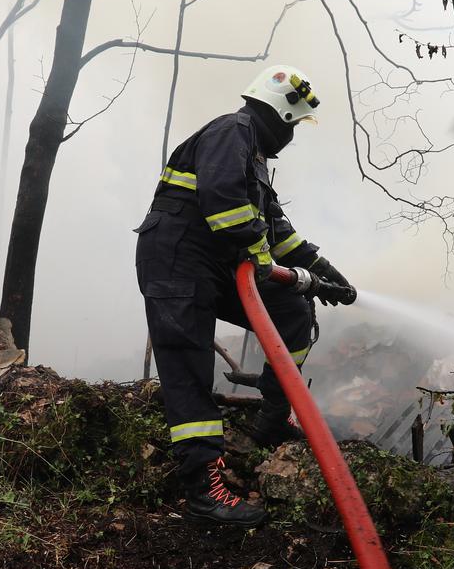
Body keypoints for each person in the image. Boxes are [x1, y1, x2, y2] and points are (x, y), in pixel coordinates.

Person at [135, 63, 357, 526]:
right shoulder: (232, 131)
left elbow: (276, 228)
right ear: (278, 114)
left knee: (292, 308)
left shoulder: (252, 154)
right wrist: (259, 256)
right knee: (190, 365)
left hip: (212, 266)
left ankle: (272, 420)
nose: (292, 138)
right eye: (292, 126)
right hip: (176, 260)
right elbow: (225, 203)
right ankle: (204, 493)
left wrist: (321, 269)